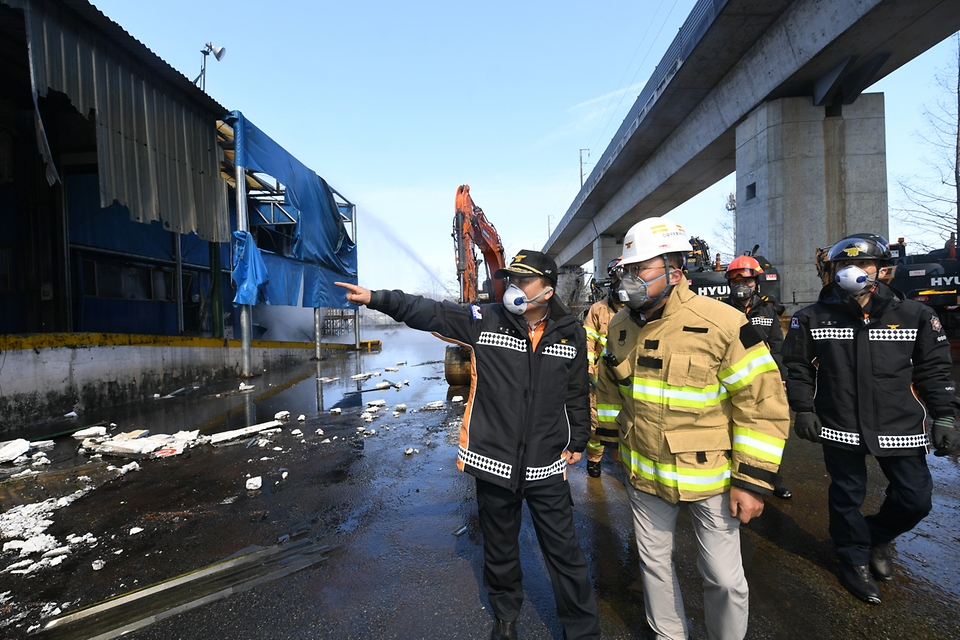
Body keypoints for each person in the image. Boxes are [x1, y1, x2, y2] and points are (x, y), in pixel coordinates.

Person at [335, 250, 600, 640]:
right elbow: (433, 312)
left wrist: (579, 437)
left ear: (547, 287)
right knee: (500, 549)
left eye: (523, 281)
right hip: (492, 460)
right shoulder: (485, 320)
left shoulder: (571, 333)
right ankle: (506, 618)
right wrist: (379, 298)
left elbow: (576, 391)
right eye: (510, 280)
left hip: (546, 464)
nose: (514, 288)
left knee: (565, 555)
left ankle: (583, 632)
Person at [595, 217, 790, 640]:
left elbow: (762, 404)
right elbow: (610, 390)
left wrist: (753, 482)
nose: (629, 278)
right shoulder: (619, 326)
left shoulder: (722, 323)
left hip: (712, 479)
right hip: (644, 474)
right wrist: (609, 445)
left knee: (724, 579)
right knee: (654, 566)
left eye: (640, 268)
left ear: (674, 271)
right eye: (626, 269)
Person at [782, 233, 960, 605]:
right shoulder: (811, 317)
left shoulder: (916, 315)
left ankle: (875, 536)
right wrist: (803, 408)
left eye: (864, 264)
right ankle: (852, 560)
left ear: (882, 269)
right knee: (846, 495)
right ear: (832, 271)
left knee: (916, 499)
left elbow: (935, 370)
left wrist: (945, 416)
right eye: (845, 265)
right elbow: (797, 367)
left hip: (900, 425)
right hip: (839, 422)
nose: (855, 271)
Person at [722, 254, 793, 500]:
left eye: (748, 280)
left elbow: (777, 347)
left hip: (763, 383)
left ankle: (772, 480)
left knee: (766, 433)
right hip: (729, 383)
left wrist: (781, 378)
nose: (742, 285)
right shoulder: (720, 310)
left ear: (757, 282)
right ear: (729, 283)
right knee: (730, 431)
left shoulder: (768, 310)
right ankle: (732, 480)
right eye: (736, 279)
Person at [582, 256, 624, 478]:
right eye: (618, 274)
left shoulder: (644, 309)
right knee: (596, 425)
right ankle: (594, 460)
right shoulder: (598, 310)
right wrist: (589, 372)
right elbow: (587, 342)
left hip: (632, 380)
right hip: (602, 379)